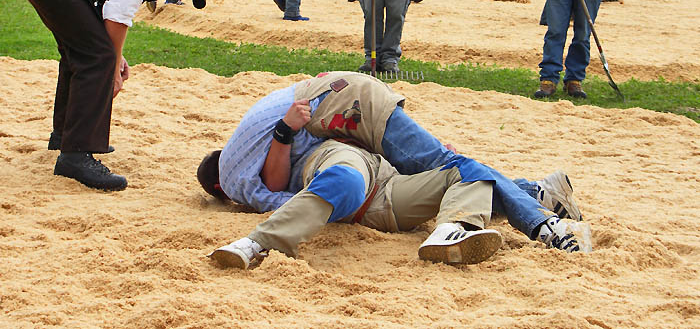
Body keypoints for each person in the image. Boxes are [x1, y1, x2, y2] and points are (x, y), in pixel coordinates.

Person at [197, 72, 589, 269]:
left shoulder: (242, 167)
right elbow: (280, 179)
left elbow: (272, 192)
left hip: (367, 145)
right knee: (449, 169)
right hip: (344, 137)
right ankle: (539, 193)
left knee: (459, 168)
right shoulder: (282, 146)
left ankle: (502, 225)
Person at [8, 0, 215, 191]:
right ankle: (76, 153)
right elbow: (119, 11)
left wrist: (117, 57)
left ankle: (66, 135)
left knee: (83, 52)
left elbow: (104, 16)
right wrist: (112, 63)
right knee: (97, 57)